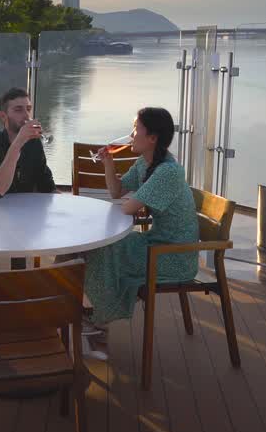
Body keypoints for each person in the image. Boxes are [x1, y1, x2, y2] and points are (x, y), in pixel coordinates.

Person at [82, 107, 198, 336]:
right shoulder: (144, 163)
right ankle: (94, 311)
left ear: (152, 138)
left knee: (103, 249)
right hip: (157, 241)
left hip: (173, 255)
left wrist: (134, 204)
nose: (131, 135)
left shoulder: (168, 171)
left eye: (136, 129)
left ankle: (98, 316)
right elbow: (116, 192)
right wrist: (108, 162)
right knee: (101, 247)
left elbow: (127, 207)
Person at [0, 87, 57, 269]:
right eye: (18, 110)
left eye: (28, 108)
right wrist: (18, 142)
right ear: (3, 117)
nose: (26, 115)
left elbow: (47, 185)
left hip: (25, 217)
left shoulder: (34, 144)